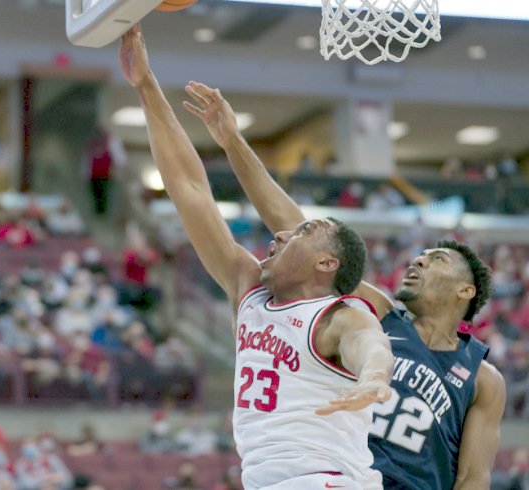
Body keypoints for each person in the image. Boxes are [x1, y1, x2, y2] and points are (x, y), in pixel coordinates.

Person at [180, 78, 506, 489]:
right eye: (419, 256)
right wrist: (233, 142)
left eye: (436, 261)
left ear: (466, 291)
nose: (418, 261)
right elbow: (293, 226)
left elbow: (474, 478)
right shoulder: (376, 315)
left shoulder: (483, 379)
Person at [120, 26, 394, 490]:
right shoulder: (248, 289)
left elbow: (371, 345)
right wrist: (146, 85)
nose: (281, 233)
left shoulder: (338, 316)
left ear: (327, 264)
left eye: (303, 231)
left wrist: (373, 377)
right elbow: (189, 191)